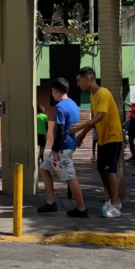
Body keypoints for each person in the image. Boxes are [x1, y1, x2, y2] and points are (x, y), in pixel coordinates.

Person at [69, 67, 124, 218]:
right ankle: (111, 200)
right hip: (103, 138)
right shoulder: (93, 96)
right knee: (102, 169)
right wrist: (83, 133)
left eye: (79, 81)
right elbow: (93, 119)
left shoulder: (103, 93)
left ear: (89, 79)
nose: (78, 84)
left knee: (110, 171)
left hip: (113, 137)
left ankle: (116, 204)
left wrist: (81, 126)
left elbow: (100, 116)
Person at [37, 78, 87, 217]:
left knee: (71, 177)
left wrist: (55, 148)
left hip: (62, 147)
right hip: (68, 144)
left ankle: (82, 209)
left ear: (55, 90)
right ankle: (50, 202)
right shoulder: (73, 104)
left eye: (52, 91)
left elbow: (60, 128)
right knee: (44, 168)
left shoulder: (60, 107)